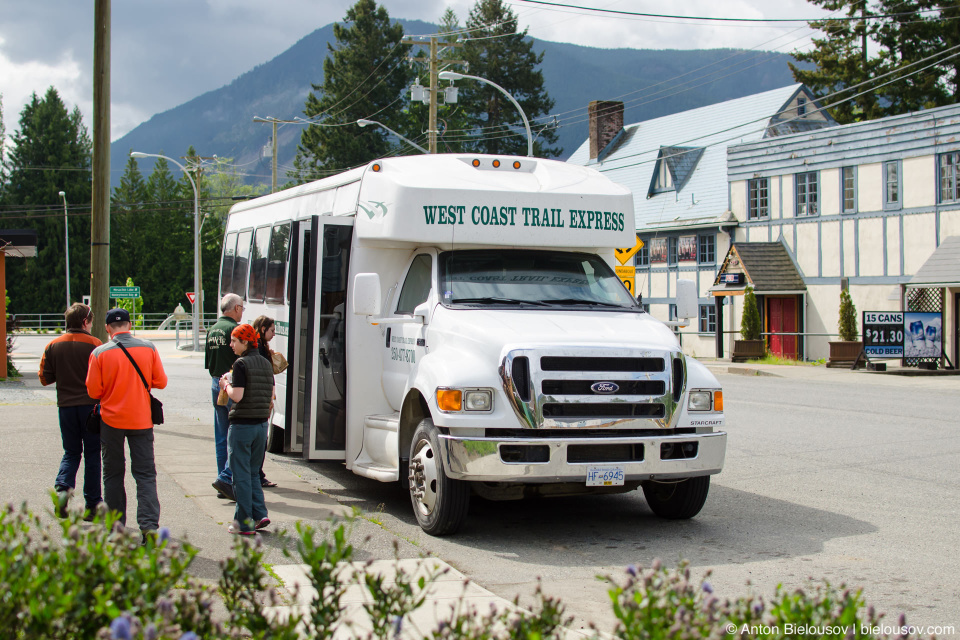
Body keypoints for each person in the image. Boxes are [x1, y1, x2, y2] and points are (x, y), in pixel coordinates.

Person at [86, 308, 167, 541]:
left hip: (111, 420)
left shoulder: (99, 353)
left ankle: (116, 527)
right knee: (145, 474)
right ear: (129, 325)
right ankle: (149, 526)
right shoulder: (149, 348)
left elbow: (94, 391)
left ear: (107, 328)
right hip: (141, 419)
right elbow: (160, 381)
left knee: (112, 474)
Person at [38, 303, 103, 519]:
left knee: (71, 452)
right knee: (93, 454)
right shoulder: (96, 345)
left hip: (65, 407)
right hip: (91, 408)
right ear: (85, 322)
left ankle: (63, 491)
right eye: (91, 321)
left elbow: (44, 378)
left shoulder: (53, 345)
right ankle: (92, 505)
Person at [219, 323, 273, 535]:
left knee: (240, 476)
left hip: (242, 426)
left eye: (234, 341)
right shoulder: (266, 363)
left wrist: (225, 384)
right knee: (252, 474)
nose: (231, 344)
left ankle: (243, 523)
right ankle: (260, 513)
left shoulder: (241, 364)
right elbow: (269, 395)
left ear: (245, 342)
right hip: (261, 424)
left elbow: (237, 396)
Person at [206, 293, 243, 501]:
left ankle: (222, 479)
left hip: (215, 381)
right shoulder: (235, 330)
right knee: (235, 434)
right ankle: (227, 480)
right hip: (231, 383)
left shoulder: (212, 329)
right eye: (242, 308)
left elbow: (208, 362)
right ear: (236, 308)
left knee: (221, 435)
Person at [252, 315, 278, 488]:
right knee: (260, 439)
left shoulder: (259, 347)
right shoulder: (259, 349)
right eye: (272, 330)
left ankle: (258, 473)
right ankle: (258, 474)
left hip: (260, 397)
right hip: (261, 399)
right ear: (263, 329)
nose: (274, 334)